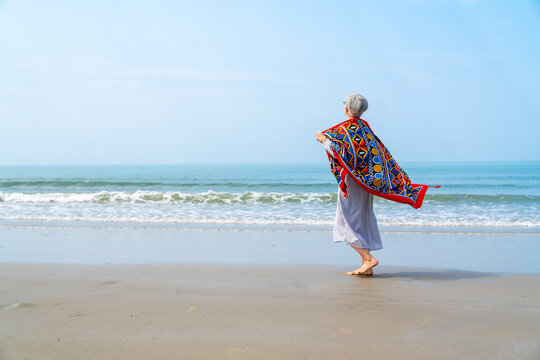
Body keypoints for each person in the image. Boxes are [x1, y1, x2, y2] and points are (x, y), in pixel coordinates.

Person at [316, 92, 433, 276]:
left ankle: (368, 258)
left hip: (352, 181)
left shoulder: (344, 131)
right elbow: (378, 155)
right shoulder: (366, 129)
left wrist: (323, 140)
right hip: (366, 182)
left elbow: (341, 154)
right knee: (361, 217)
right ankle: (365, 265)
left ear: (346, 109)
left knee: (345, 220)